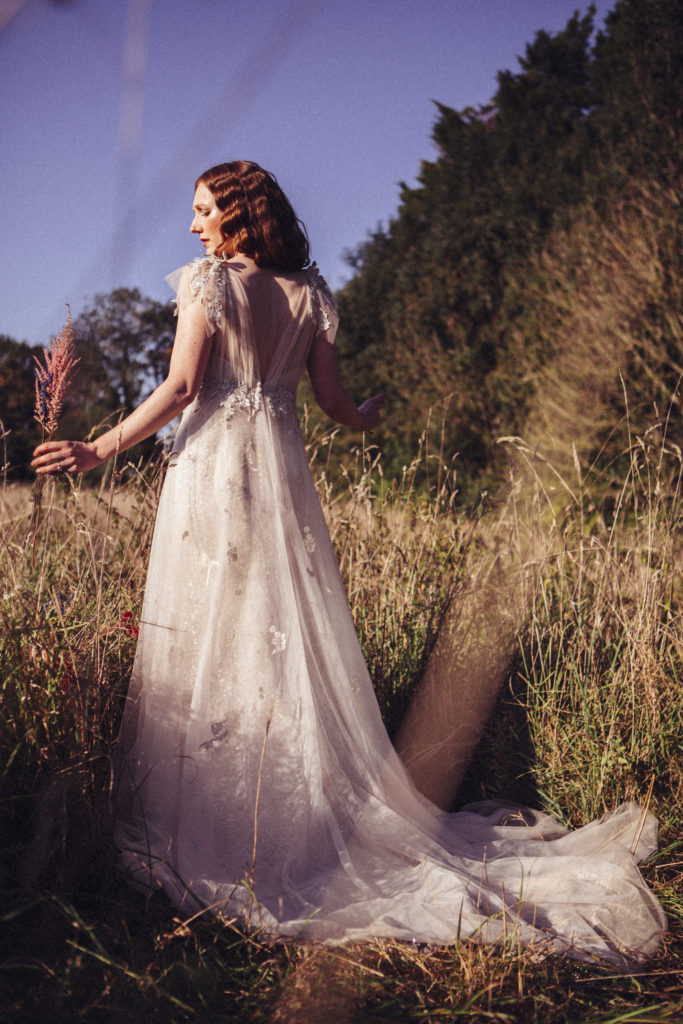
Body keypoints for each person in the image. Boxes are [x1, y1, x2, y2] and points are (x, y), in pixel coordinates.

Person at [33, 161, 666, 964]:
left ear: (236, 213)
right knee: (280, 628)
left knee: (208, 625)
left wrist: (99, 447)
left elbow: (185, 384)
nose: (193, 226)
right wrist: (364, 418)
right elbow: (335, 404)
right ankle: (293, 809)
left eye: (203, 210)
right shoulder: (309, 295)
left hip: (215, 472)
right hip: (282, 477)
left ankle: (219, 821)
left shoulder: (207, 284)